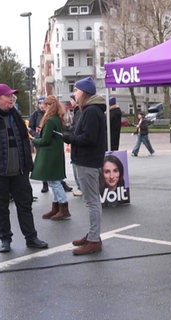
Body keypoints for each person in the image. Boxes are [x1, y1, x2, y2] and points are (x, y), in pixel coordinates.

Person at [0, 84, 48, 253]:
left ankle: (31, 237)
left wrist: (28, 164)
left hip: (19, 172)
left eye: (12, 95)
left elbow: (24, 141)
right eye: (8, 96)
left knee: (25, 205)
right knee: (1, 208)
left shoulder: (16, 115)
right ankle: (5, 239)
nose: (12, 98)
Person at [62, 76, 107, 255]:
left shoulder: (91, 111)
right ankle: (92, 235)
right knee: (91, 201)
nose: (74, 93)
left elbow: (88, 138)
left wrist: (69, 138)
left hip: (88, 161)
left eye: (76, 90)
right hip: (87, 160)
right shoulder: (90, 110)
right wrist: (71, 134)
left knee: (92, 202)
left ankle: (94, 240)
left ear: (85, 92)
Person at [30, 95, 71, 221]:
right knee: (55, 181)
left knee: (54, 182)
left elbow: (45, 140)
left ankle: (63, 209)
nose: (43, 106)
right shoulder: (58, 119)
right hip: (56, 153)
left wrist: (34, 140)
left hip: (49, 154)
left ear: (50, 106)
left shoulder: (50, 120)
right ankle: (57, 208)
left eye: (45, 104)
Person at [68, 94, 83, 197]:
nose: (70, 103)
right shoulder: (77, 111)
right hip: (77, 143)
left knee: (76, 166)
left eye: (71, 100)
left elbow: (76, 128)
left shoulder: (78, 112)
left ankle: (80, 188)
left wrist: (68, 131)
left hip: (77, 143)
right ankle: (80, 187)